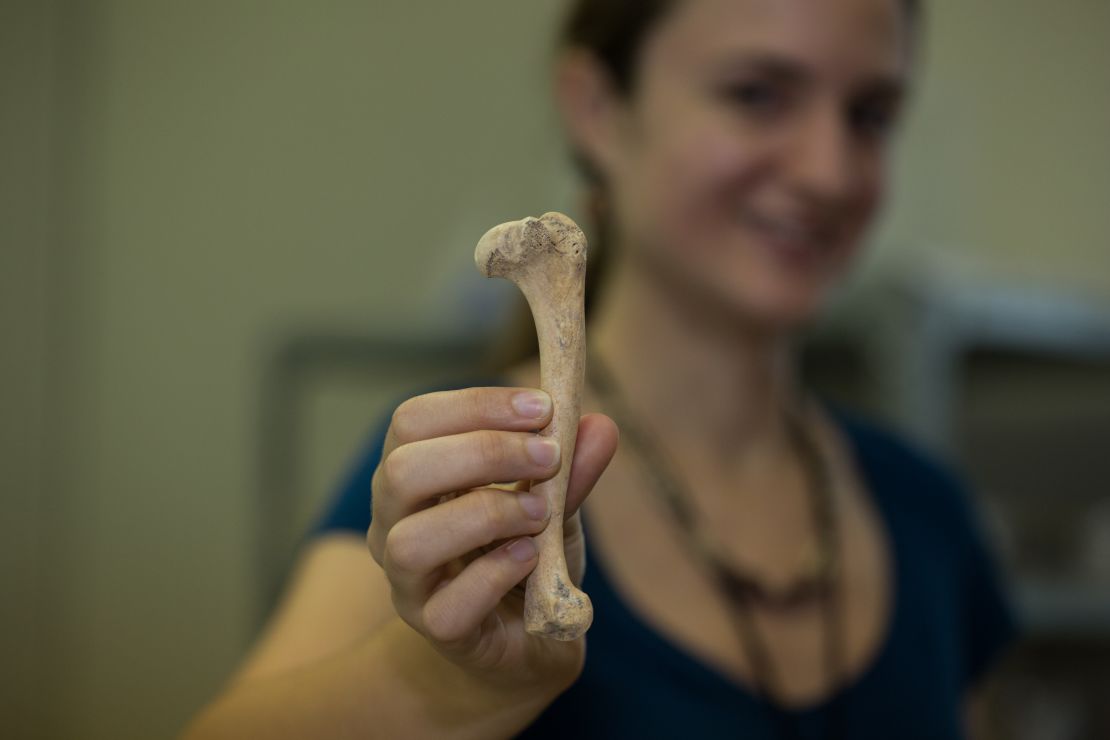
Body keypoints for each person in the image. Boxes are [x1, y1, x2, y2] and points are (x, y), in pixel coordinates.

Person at [184, 0, 1017, 737]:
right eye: (757, 94)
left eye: (870, 114)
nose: (829, 170)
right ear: (596, 107)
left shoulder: (928, 510)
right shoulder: (468, 482)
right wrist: (449, 685)